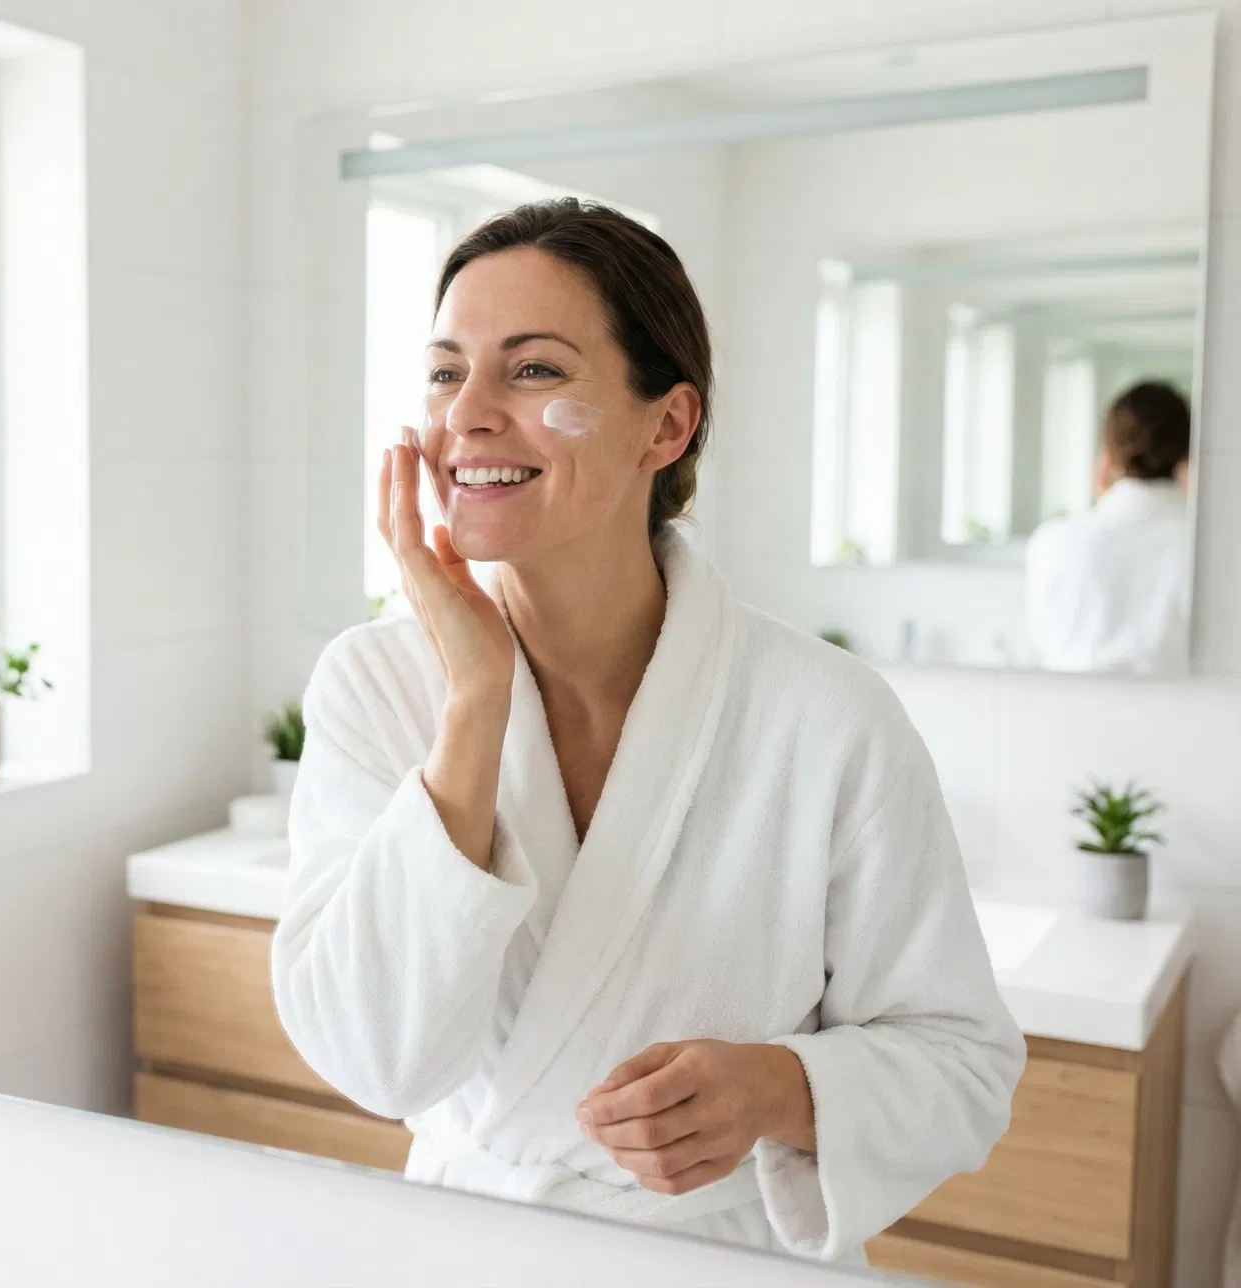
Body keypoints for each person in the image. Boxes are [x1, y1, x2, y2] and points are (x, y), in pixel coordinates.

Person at [271, 199, 1024, 1264]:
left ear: (665, 426)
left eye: (533, 371)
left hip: (712, 1257)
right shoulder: (377, 684)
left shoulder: (826, 714)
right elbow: (376, 1059)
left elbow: (964, 1064)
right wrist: (476, 700)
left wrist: (784, 1088)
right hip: (462, 1246)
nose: (468, 415)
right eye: (446, 372)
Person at [1025, 381, 1193, 674]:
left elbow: (1042, 646)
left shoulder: (1053, 542)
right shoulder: (1206, 547)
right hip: (1177, 716)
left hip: (1060, 714)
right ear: (1187, 452)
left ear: (1108, 452)